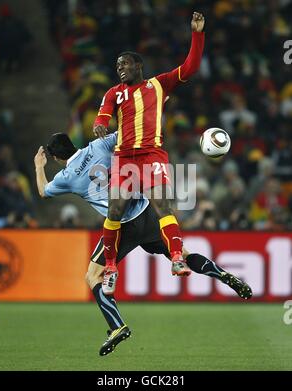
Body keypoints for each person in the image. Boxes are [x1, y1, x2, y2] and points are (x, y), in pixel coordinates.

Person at [34, 133, 252, 356]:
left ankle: (117, 326)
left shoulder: (67, 176)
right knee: (183, 255)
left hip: (121, 226)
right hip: (146, 211)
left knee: (93, 276)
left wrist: (38, 166)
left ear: (56, 158)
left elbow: (43, 191)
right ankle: (223, 275)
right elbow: (129, 133)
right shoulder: (98, 146)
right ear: (73, 144)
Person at [92, 12, 206, 294]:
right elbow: (103, 116)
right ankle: (110, 268)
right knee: (115, 210)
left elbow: (189, 68)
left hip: (152, 155)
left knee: (162, 206)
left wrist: (197, 34)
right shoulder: (114, 93)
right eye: (117, 65)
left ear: (138, 65)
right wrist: (99, 125)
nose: (120, 68)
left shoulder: (158, 84)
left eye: (125, 63)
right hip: (124, 159)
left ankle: (177, 258)